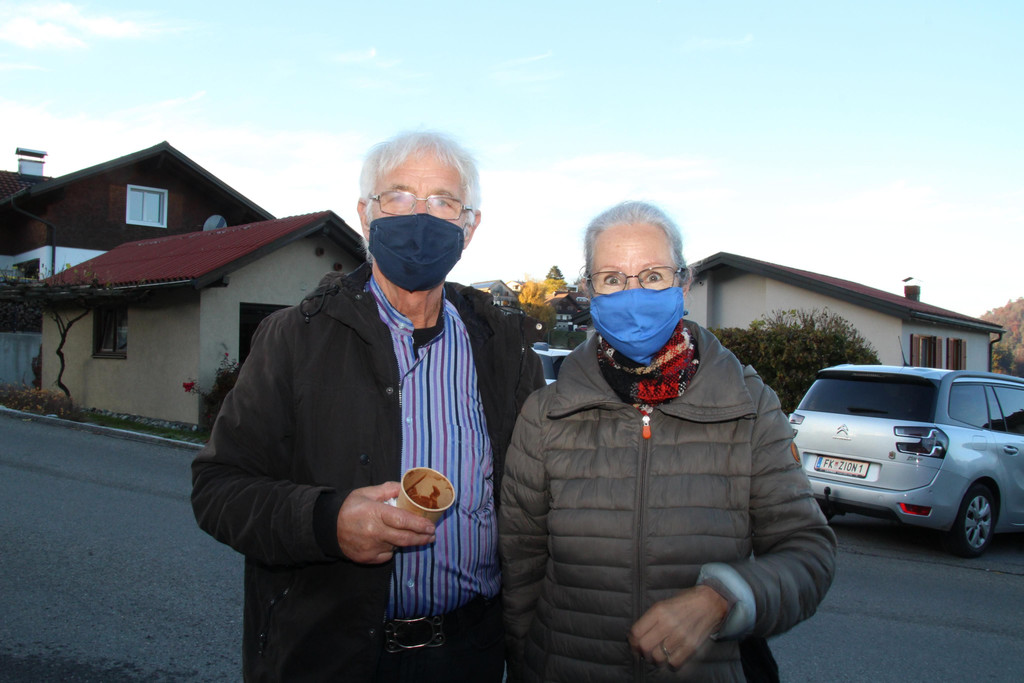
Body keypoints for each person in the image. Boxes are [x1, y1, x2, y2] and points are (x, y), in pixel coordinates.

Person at [191, 131, 544, 682]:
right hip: (329, 656)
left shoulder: (504, 349)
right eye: (398, 196)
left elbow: (534, 505)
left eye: (443, 201)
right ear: (365, 215)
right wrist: (326, 522)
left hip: (469, 654)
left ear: (469, 226)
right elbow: (218, 490)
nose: (420, 217)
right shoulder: (294, 338)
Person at [499, 200, 837, 682]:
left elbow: (808, 552)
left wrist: (724, 598)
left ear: (684, 282)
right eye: (612, 279)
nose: (633, 295)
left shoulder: (748, 405)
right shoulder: (546, 413)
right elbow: (521, 568)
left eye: (653, 276)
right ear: (588, 291)